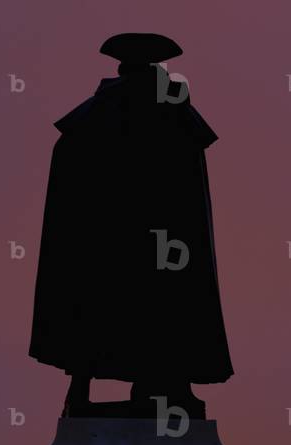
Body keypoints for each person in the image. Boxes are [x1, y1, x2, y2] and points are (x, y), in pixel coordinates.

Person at [29, 32, 233, 418]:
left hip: (120, 237)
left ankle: (123, 389)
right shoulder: (162, 110)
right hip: (142, 237)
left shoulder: (106, 113)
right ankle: (125, 389)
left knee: (106, 305)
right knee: (140, 305)